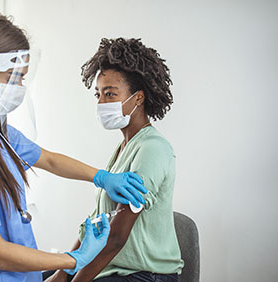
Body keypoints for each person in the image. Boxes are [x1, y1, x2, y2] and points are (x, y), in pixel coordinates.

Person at [0, 12, 149, 282]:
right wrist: (74, 259)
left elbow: (48, 159)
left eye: (23, 77)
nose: (20, 87)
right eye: (13, 77)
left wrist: (101, 177)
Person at [44, 38, 184, 282]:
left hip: (146, 276)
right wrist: (63, 273)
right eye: (98, 94)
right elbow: (98, 220)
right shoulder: (124, 148)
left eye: (110, 94)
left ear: (138, 98)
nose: (101, 103)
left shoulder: (152, 148)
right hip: (114, 268)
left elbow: (117, 236)